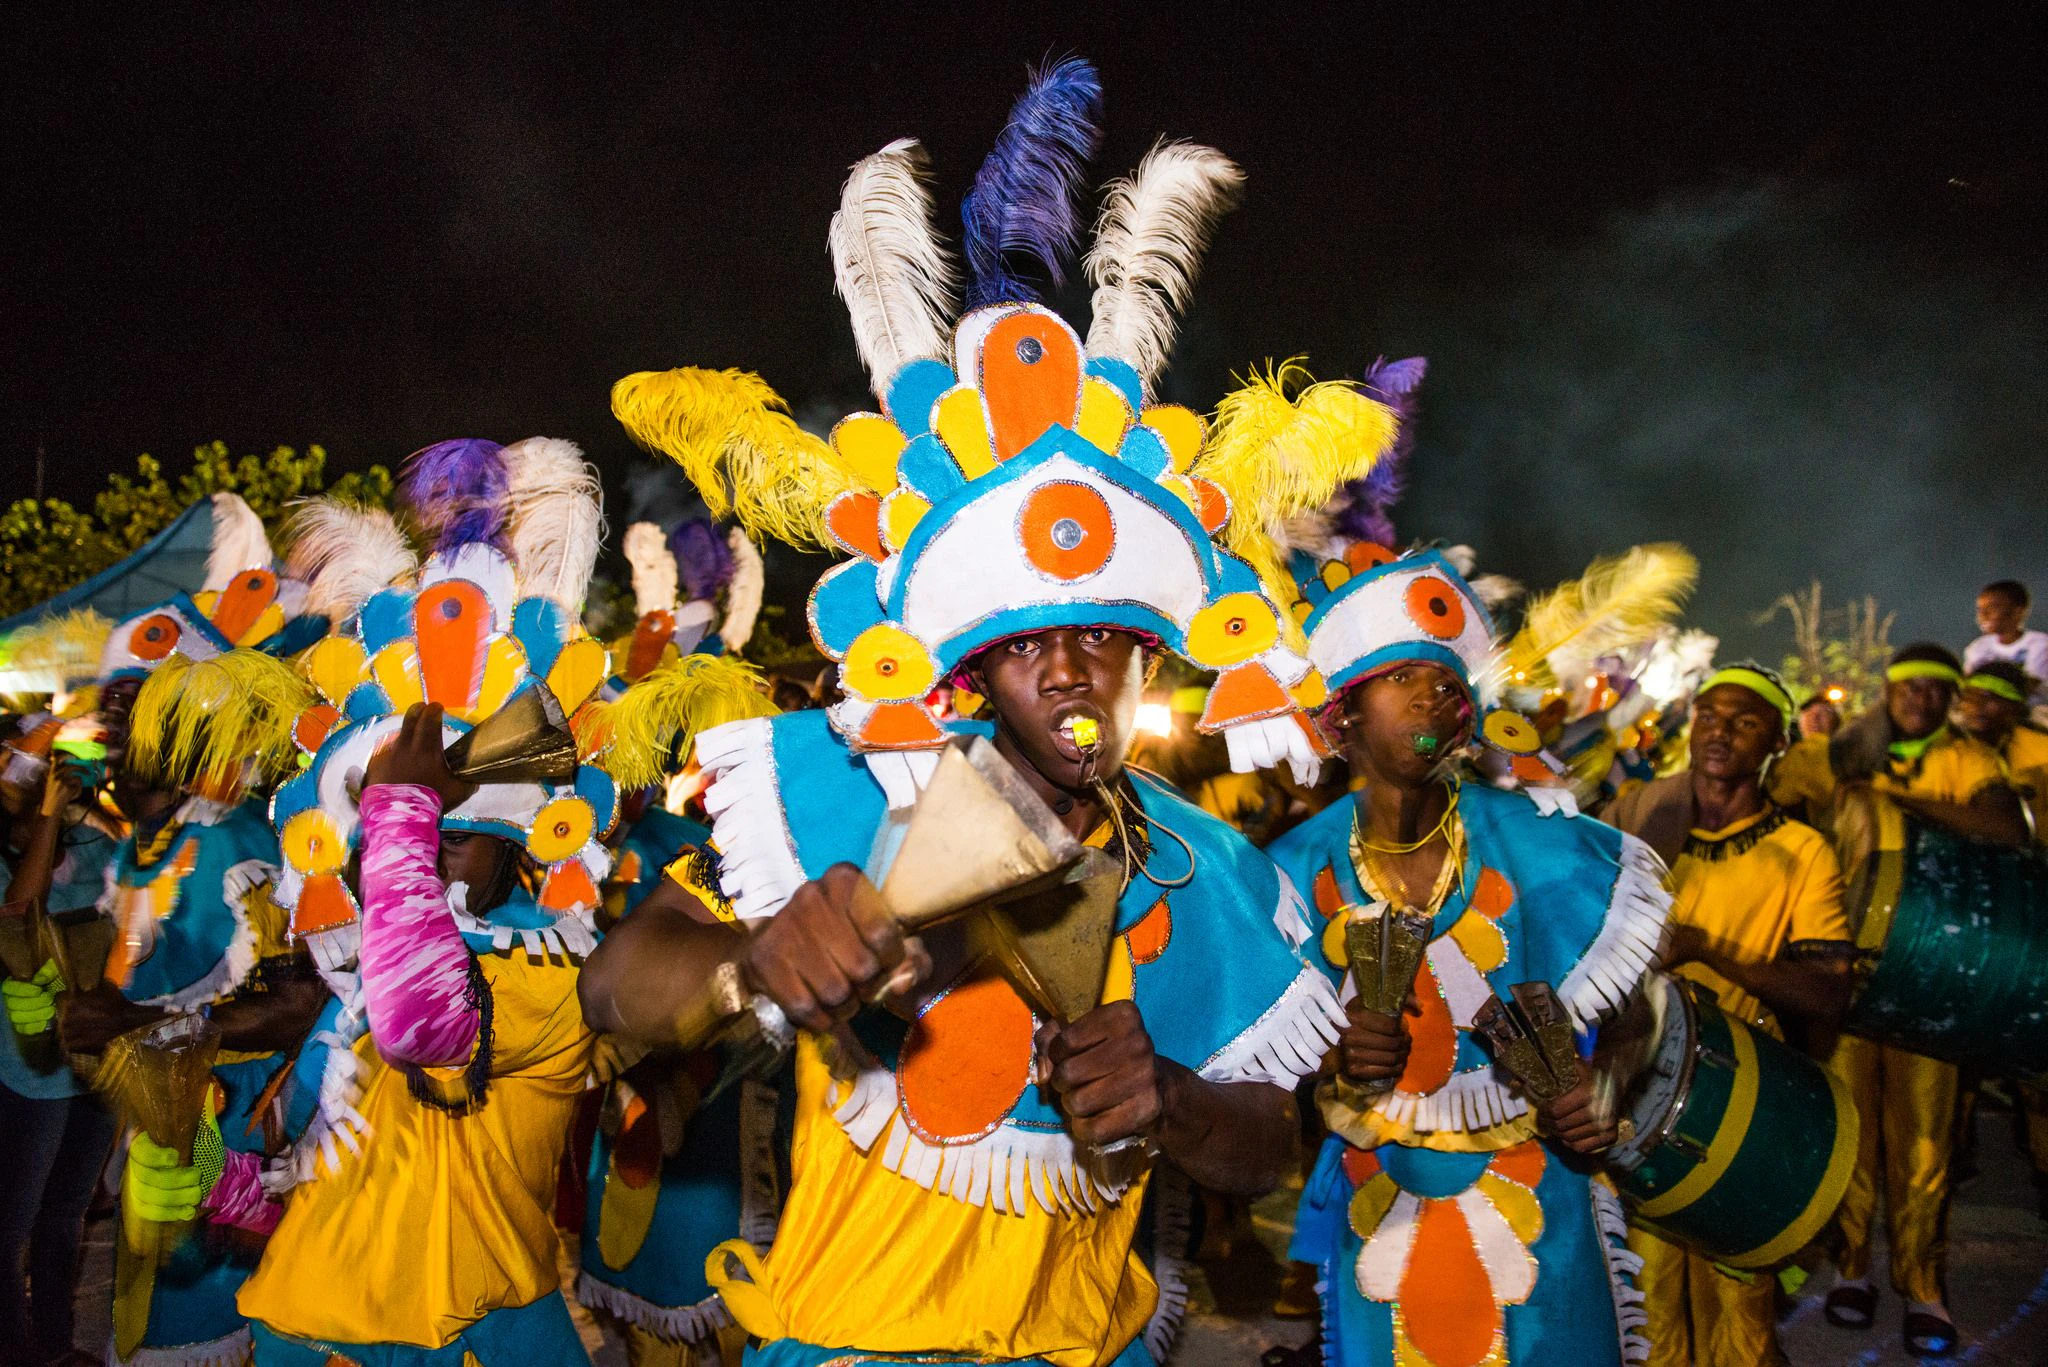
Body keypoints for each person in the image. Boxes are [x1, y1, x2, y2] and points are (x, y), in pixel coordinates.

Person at [581, 63, 1381, 1365]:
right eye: (1031, 644)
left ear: (1157, 656)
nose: (1071, 670)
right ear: (964, 662)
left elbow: (1261, 1140)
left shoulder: (1209, 863)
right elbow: (618, 987)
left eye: (1106, 641)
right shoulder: (835, 785)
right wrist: (753, 966)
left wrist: (1170, 1096)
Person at [229, 437, 626, 1366]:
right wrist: (184, 1150)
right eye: (402, 836)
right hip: (305, 1332)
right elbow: (251, 1176)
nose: (420, 854)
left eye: (456, 834)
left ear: (520, 849)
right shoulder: (333, 997)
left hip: (481, 1337)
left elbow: (426, 1022)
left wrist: (401, 807)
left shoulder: (541, 974)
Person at [1268, 545, 1667, 1367]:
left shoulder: (1539, 844)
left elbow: (1640, 1012)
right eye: (1402, 675)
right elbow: (1250, 1079)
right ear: (1342, 711)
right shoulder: (1292, 870)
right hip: (1379, 1206)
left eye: (1450, 683)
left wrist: (1606, 1083)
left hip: (1544, 1197)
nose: (1433, 694)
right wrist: (1330, 1057)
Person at [1768, 642, 2023, 1357]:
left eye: (1937, 689)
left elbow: (2010, 828)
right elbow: (1765, 799)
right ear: (1888, 690)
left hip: (1929, 978)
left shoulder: (1967, 759)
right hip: (1839, 977)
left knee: (1922, 1141)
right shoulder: (1838, 751)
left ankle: (1924, 1285)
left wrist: (1892, 802)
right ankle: (1852, 1270)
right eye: (1910, 686)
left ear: (1949, 699)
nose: (1922, 698)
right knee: (1849, 1130)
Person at [1602, 663, 1853, 1367]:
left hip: (1748, 1107)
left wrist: (1710, 950)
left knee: (1740, 1322)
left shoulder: (1803, 851)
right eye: (1710, 715)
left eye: (1745, 722)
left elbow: (1829, 993)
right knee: (1646, 1310)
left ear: (1777, 743)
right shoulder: (1645, 831)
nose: (1720, 733)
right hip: (1640, 1098)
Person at [1, 724, 121, 1367]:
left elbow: (141, 886)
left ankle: (52, 1341)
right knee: (11, 1225)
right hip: (27, 1068)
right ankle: (16, 1348)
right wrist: (45, 815)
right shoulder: (12, 853)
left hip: (91, 1060)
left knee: (67, 1214)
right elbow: (20, 911)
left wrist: (99, 800)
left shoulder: (91, 839)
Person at [1952, 659, 2048, 1217]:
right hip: (1973, 923)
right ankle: (1957, 1148)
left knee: (2035, 1063)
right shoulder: (1958, 753)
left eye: (1988, 699)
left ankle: (2042, 1168)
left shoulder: (2040, 750)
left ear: (2013, 704)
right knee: (1959, 1048)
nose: (1975, 708)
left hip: (2032, 919)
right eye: (1969, 698)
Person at [1963, 580, 2048, 711]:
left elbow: (2029, 685)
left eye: (1992, 608)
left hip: (2030, 713)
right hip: (1988, 713)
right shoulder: (1978, 647)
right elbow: (1969, 685)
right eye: (1980, 609)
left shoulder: (2040, 644)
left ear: (2017, 612)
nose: (1983, 615)